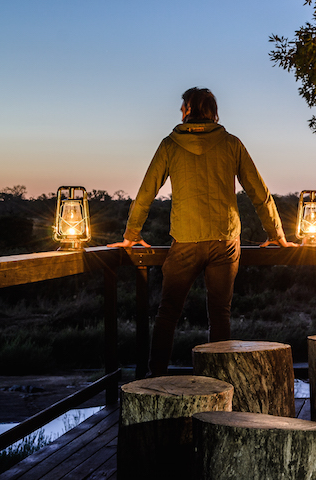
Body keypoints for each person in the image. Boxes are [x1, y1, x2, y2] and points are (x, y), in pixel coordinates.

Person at [109, 87, 296, 376]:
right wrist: (276, 233)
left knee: (168, 313)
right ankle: (219, 380)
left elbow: (146, 192)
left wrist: (131, 234)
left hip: (185, 241)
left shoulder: (170, 145)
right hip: (225, 241)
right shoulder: (231, 144)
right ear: (213, 112)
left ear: (186, 110)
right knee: (220, 314)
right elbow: (259, 192)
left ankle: (155, 378)